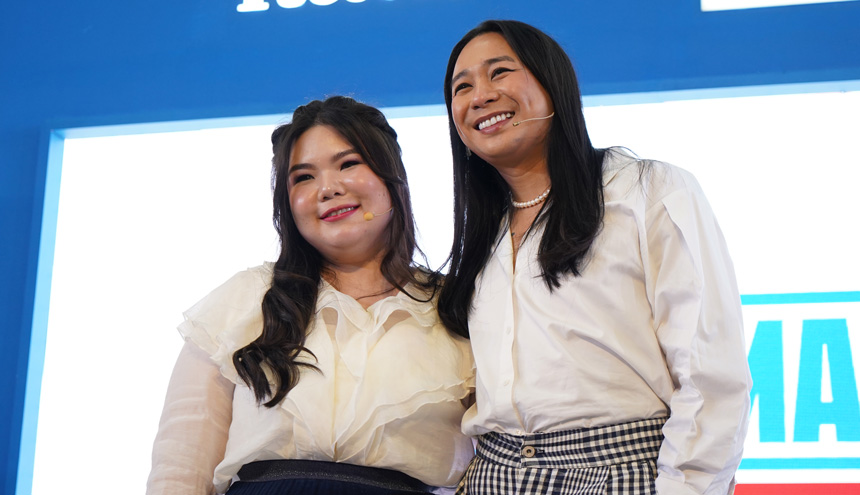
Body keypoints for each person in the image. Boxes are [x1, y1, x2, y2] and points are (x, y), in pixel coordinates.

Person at [437, 20, 752, 495]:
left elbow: (709, 372)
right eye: (462, 87)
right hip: (493, 475)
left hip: (620, 471)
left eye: (499, 72)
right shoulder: (483, 235)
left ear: (552, 82)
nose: (479, 96)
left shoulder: (648, 189)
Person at [147, 96, 475, 495]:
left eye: (348, 164)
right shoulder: (244, 300)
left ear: (392, 176)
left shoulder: (457, 307)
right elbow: (180, 468)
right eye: (303, 177)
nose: (328, 188)